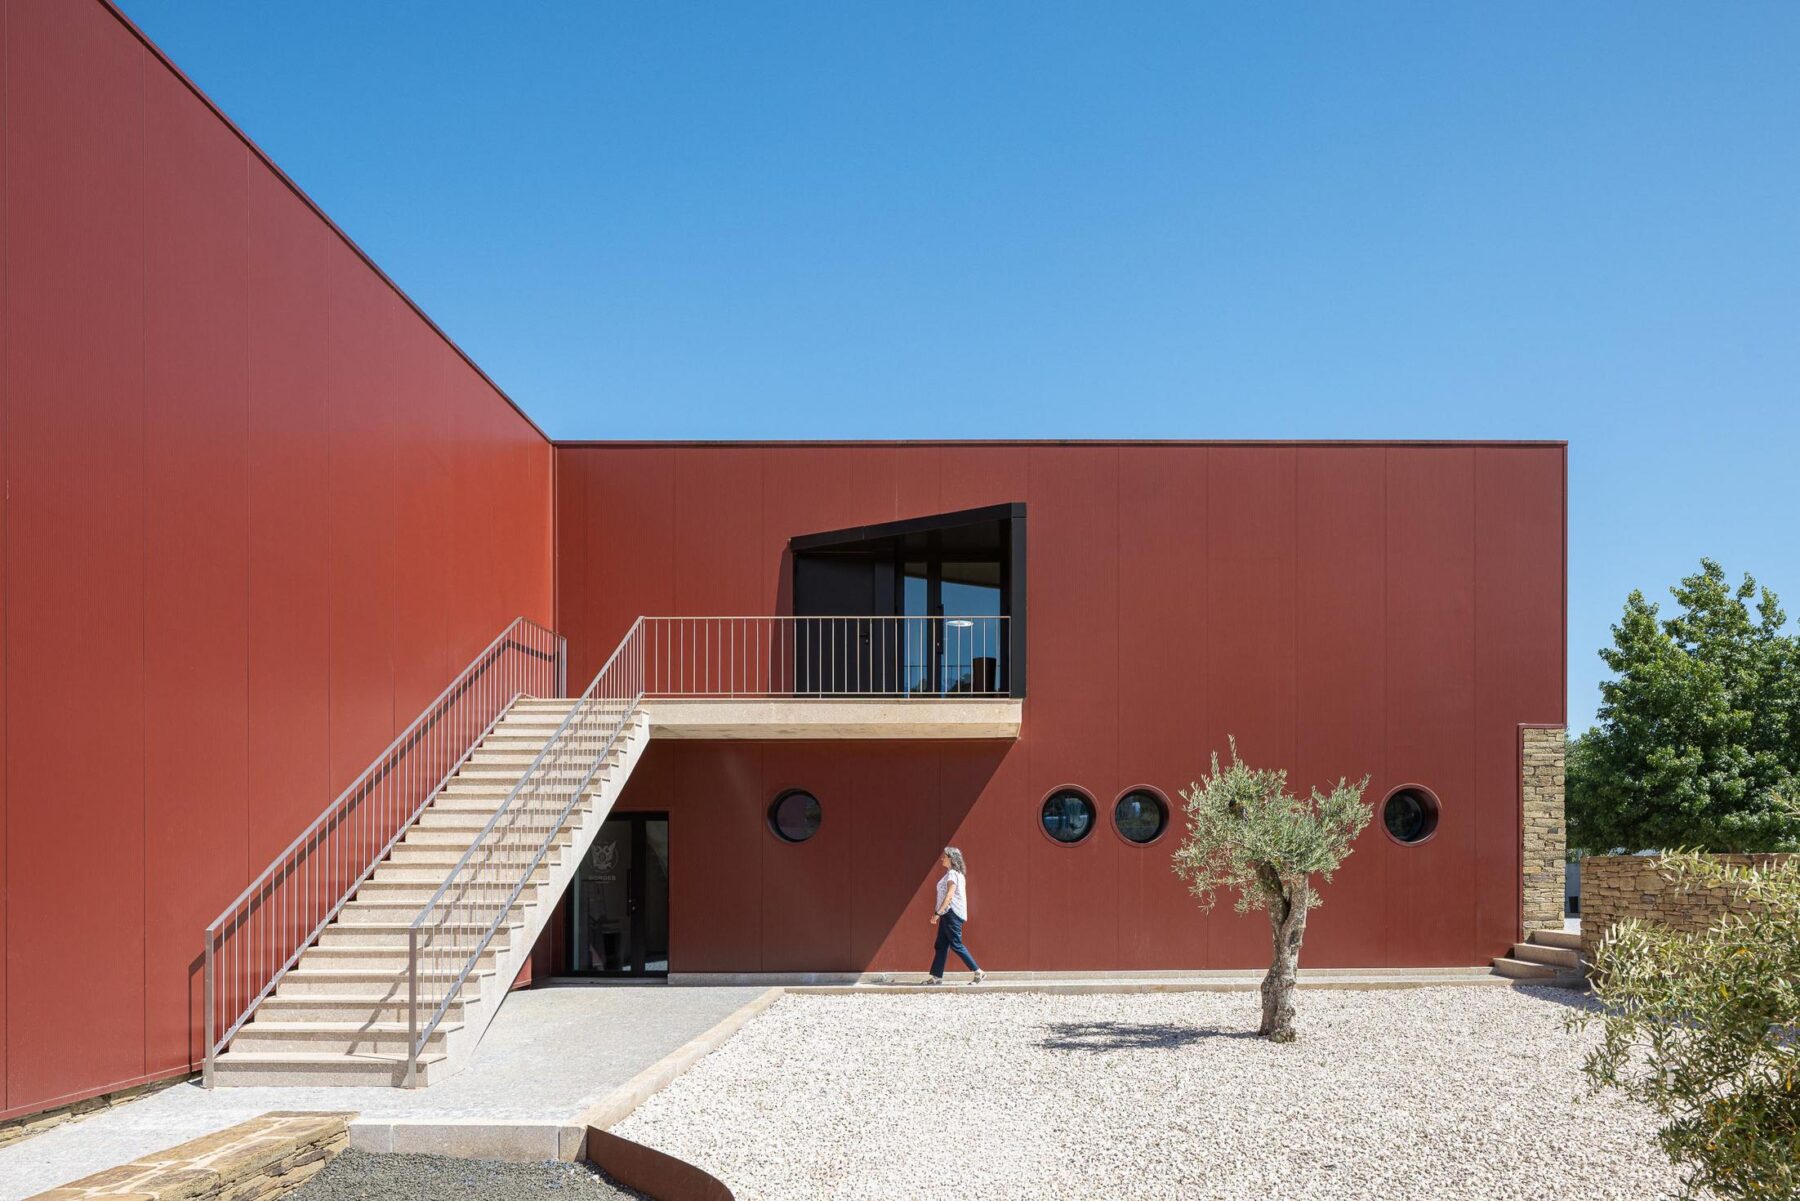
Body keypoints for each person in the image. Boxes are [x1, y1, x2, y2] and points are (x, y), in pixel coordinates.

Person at [925, 846, 985, 985]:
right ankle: (936, 977)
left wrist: (937, 913)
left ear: (951, 859)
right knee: (941, 944)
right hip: (948, 913)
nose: (942, 858)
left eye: (944, 856)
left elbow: (950, 895)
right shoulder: (955, 874)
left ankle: (978, 971)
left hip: (951, 912)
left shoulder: (952, 873)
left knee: (956, 944)